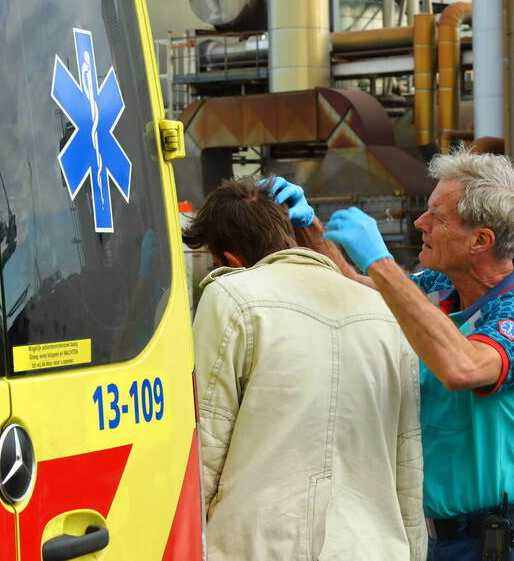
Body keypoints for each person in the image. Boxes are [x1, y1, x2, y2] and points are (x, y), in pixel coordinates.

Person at [274, 147, 514, 561]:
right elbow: (357, 286)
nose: (420, 223)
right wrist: (310, 227)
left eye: (438, 218)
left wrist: (382, 260)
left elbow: (463, 366)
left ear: (481, 240)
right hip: (432, 537)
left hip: (496, 543)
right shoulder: (440, 287)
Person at [183, 176, 428, 561]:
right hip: (373, 547)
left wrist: (189, 543)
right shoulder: (385, 310)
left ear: (230, 261)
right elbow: (407, 457)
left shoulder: (229, 295)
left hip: (258, 546)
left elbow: (207, 445)